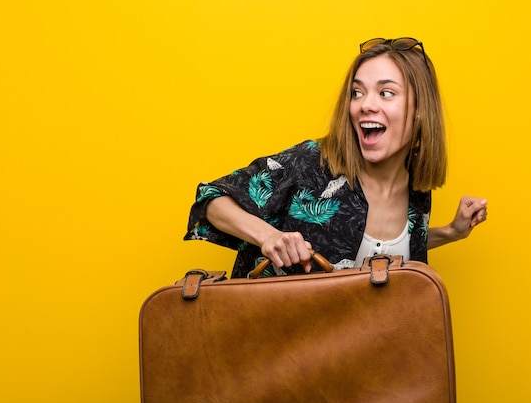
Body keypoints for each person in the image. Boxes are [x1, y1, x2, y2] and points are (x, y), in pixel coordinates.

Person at [185, 37, 488, 278]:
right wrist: (269, 237)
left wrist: (451, 232)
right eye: (357, 92)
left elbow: (383, 247)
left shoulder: (416, 189)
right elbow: (209, 199)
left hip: (351, 353)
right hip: (275, 348)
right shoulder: (310, 164)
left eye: (385, 93)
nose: (365, 104)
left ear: (420, 109)